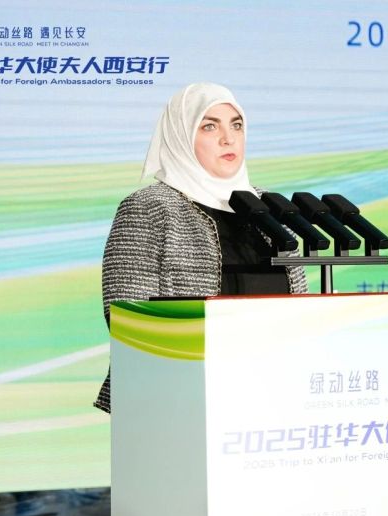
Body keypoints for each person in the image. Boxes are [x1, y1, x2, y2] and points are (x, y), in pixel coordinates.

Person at [94, 83, 308, 413]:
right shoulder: (149, 207)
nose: (228, 138)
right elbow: (127, 316)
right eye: (210, 126)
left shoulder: (271, 208)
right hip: (175, 398)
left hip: (271, 392)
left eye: (236, 125)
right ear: (180, 135)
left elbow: (303, 310)